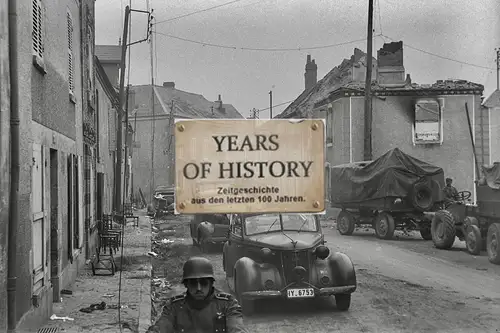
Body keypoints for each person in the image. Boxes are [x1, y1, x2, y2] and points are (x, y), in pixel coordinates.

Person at [155, 256, 249, 333]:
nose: (198, 288)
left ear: (211, 283)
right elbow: (162, 326)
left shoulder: (227, 304)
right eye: (193, 283)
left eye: (203, 283)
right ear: (186, 284)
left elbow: (236, 327)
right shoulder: (174, 306)